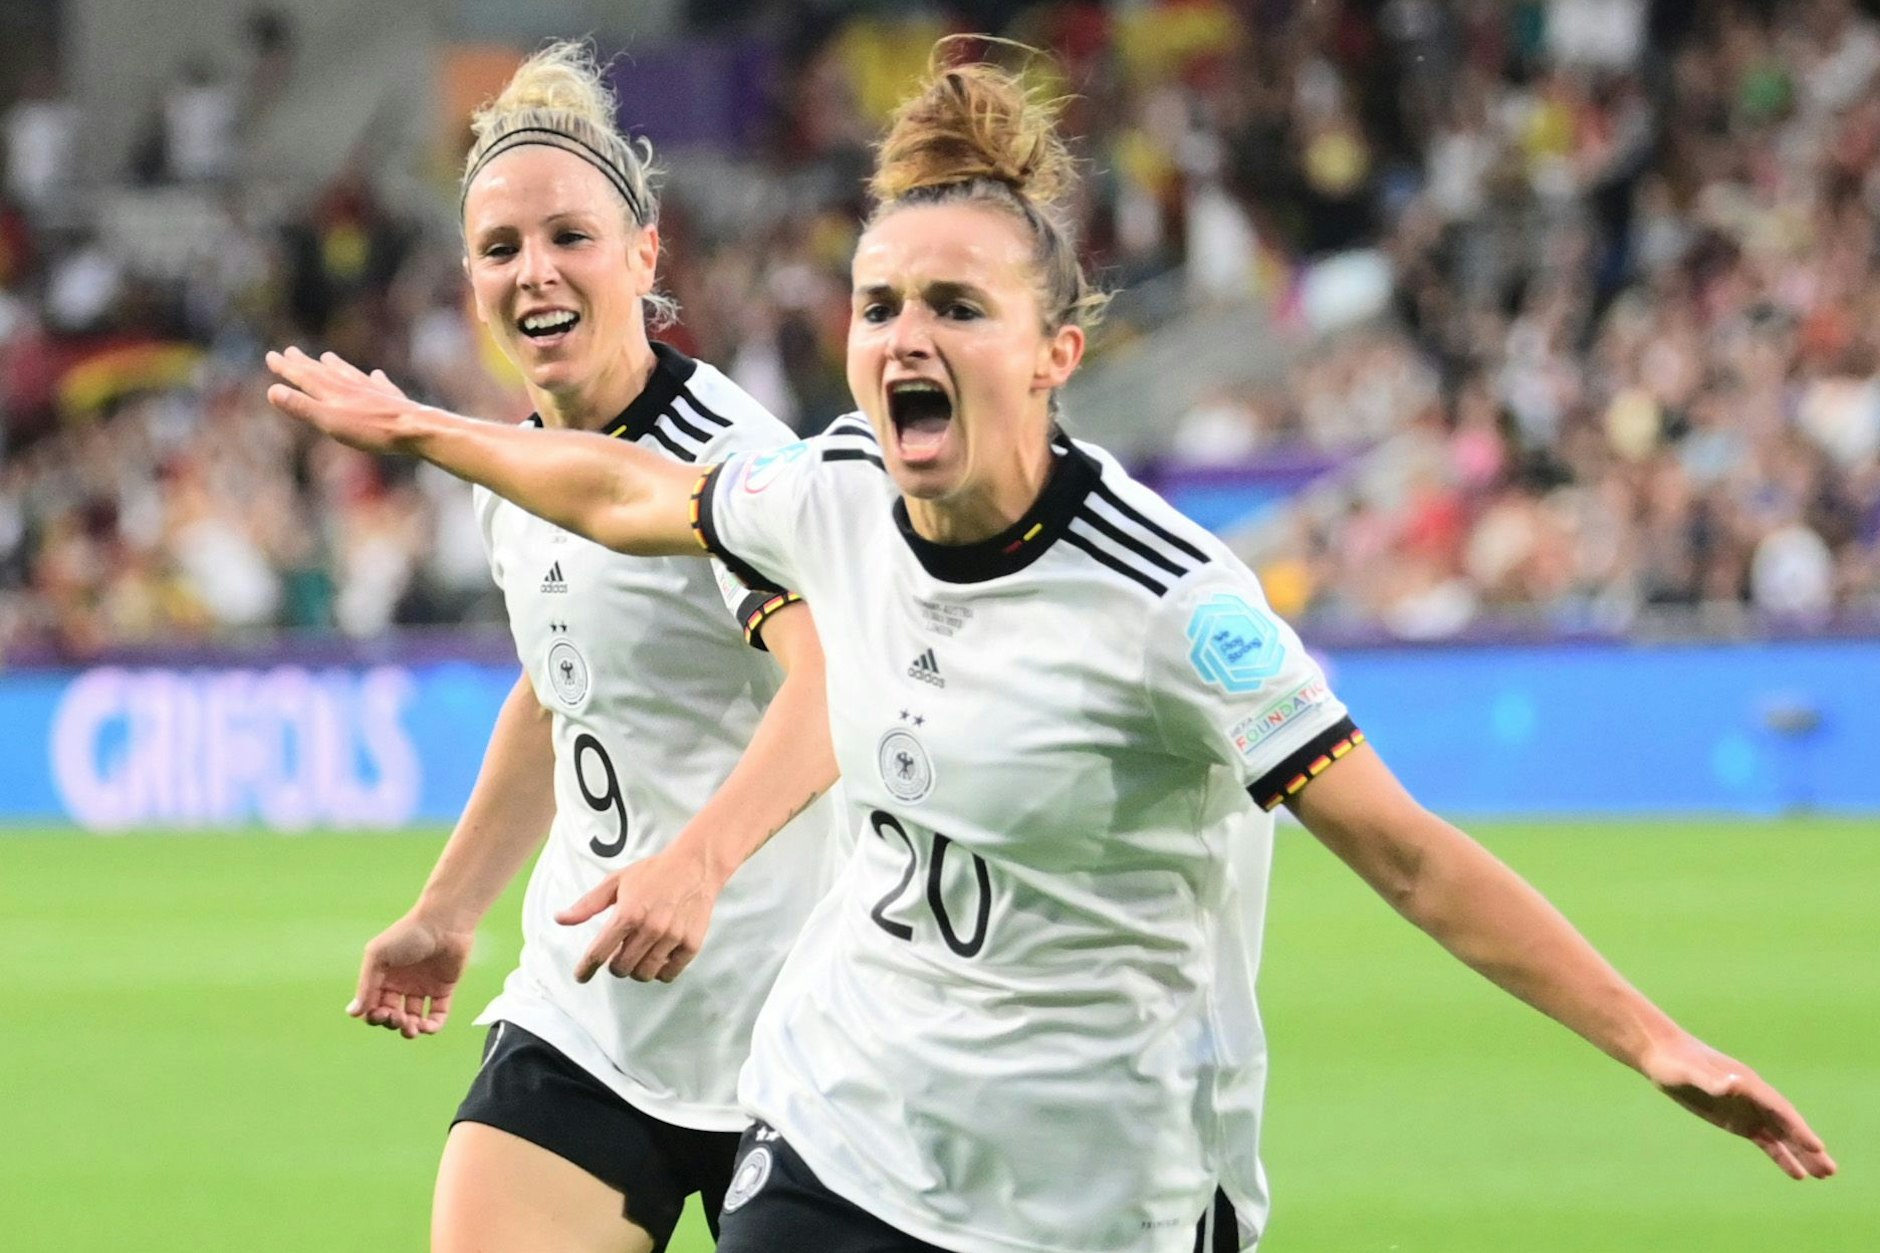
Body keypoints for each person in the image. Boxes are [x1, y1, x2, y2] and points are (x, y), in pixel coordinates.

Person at [267, 43, 1836, 1253]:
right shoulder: (830, 500)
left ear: (1056, 350)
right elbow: (618, 494)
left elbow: (1411, 857)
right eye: (879, 304)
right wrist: (415, 429)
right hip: (851, 1126)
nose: (904, 338)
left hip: (1109, 1179)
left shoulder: (1176, 602)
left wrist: (1652, 1041)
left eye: (955, 304)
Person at [335, 42, 839, 1253]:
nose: (535, 272)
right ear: (469, 278)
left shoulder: (733, 467)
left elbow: (838, 687)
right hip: (591, 1014)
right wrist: (449, 908)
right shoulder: (510, 471)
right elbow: (562, 686)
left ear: (643, 255)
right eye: (501, 248)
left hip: (794, 1035)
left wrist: (696, 865)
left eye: (570, 236)